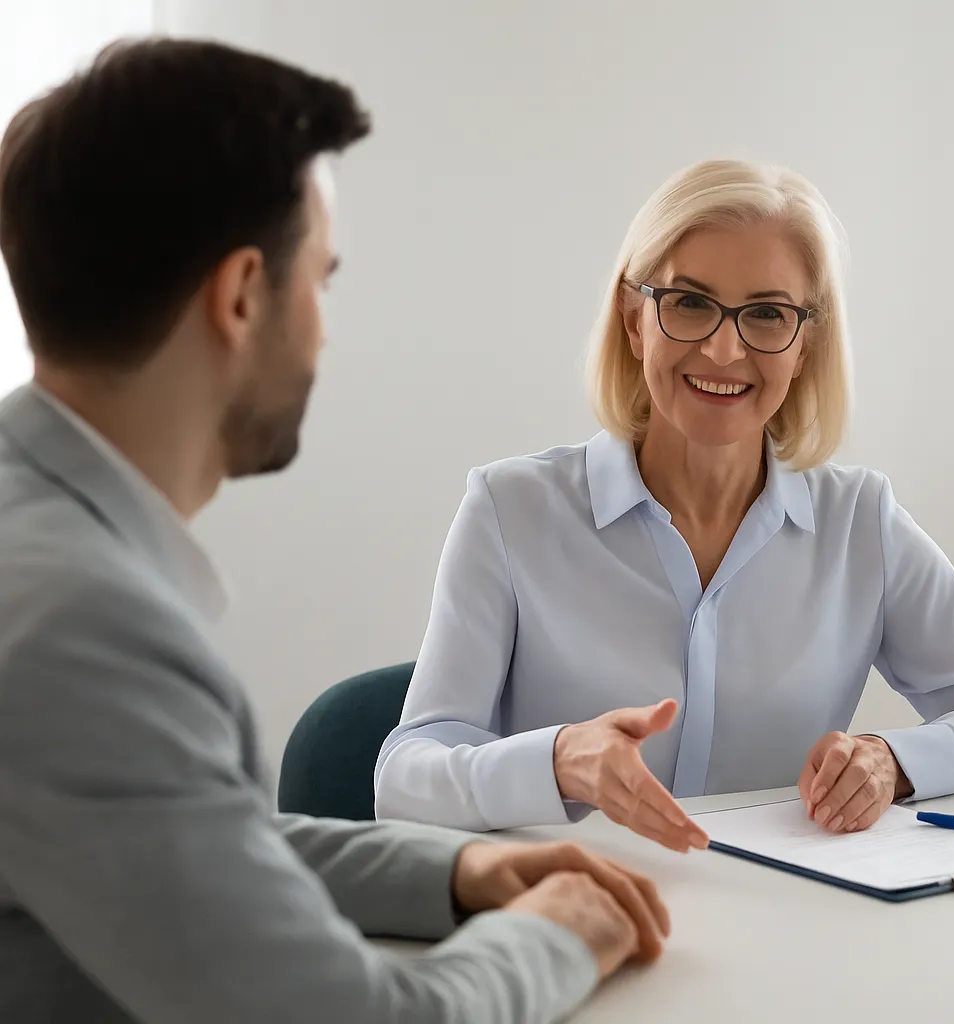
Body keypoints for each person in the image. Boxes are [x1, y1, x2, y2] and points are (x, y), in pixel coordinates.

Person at [0, 39, 669, 1024]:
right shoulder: (85, 628)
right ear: (238, 297)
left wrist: (461, 867)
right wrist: (558, 931)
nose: (323, 330)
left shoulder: (40, 544)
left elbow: (196, 842)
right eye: (321, 279)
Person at [374, 159, 954, 850]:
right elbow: (405, 777)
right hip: (569, 923)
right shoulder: (510, 510)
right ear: (633, 318)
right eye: (689, 303)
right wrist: (558, 760)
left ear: (804, 344)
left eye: (768, 315)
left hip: (781, 927)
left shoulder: (858, 523)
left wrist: (893, 761)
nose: (722, 350)